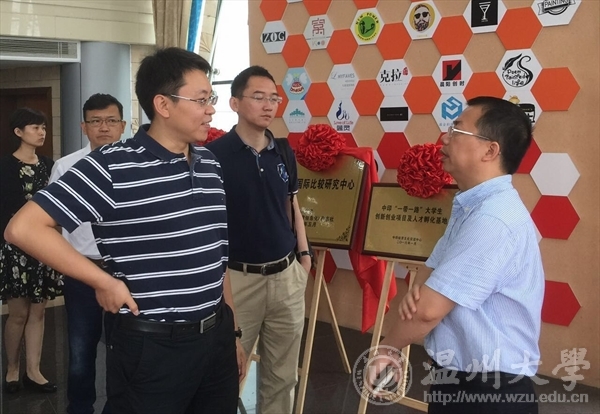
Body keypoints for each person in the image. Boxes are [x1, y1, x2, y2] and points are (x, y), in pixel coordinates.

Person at [4, 47, 245, 413]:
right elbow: (23, 228)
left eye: (210, 99)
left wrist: (233, 334)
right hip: (153, 346)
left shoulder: (210, 164)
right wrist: (103, 281)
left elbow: (214, 256)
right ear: (163, 105)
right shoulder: (112, 166)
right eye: (201, 99)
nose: (211, 109)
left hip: (216, 337)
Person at [370, 96, 544, 414]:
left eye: (457, 131)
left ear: (490, 151)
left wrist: (387, 348)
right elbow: (430, 271)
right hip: (460, 379)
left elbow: (427, 310)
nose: (445, 139)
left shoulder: (493, 219)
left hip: (490, 393)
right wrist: (423, 294)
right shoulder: (471, 204)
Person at [205, 65, 311, 414]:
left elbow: (292, 204)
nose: (268, 105)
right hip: (238, 281)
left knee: (283, 377)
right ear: (235, 103)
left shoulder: (283, 151)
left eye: (274, 98)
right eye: (259, 97)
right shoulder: (213, 157)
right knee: (228, 373)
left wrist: (304, 257)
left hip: (286, 277)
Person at [49, 93, 125, 413]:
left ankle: (120, 407)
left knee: (125, 348)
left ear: (123, 125)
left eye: (110, 120)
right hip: (82, 271)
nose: (103, 127)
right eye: (96, 121)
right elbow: (51, 222)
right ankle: (80, 408)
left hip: (125, 272)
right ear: (84, 127)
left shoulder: (136, 166)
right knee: (81, 349)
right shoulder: (66, 167)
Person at [0, 108, 62, 394]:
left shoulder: (49, 165)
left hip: (44, 245)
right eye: (35, 127)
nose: (41, 132)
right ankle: (12, 369)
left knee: (39, 311)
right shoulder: (4, 166)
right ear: (18, 132)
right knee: (18, 313)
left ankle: (33, 371)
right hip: (15, 248)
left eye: (43, 128)